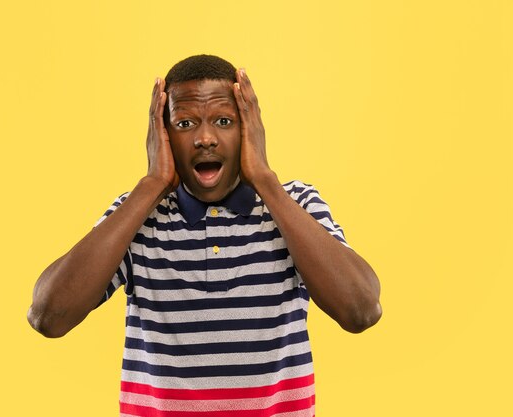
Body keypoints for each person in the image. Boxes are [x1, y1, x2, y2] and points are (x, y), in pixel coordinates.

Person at [28, 54, 382, 416]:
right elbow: (49, 317)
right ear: (161, 135)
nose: (205, 138)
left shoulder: (295, 204)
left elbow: (361, 310)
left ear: (249, 129)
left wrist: (264, 179)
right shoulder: (136, 215)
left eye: (225, 121)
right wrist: (151, 184)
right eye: (184, 123)